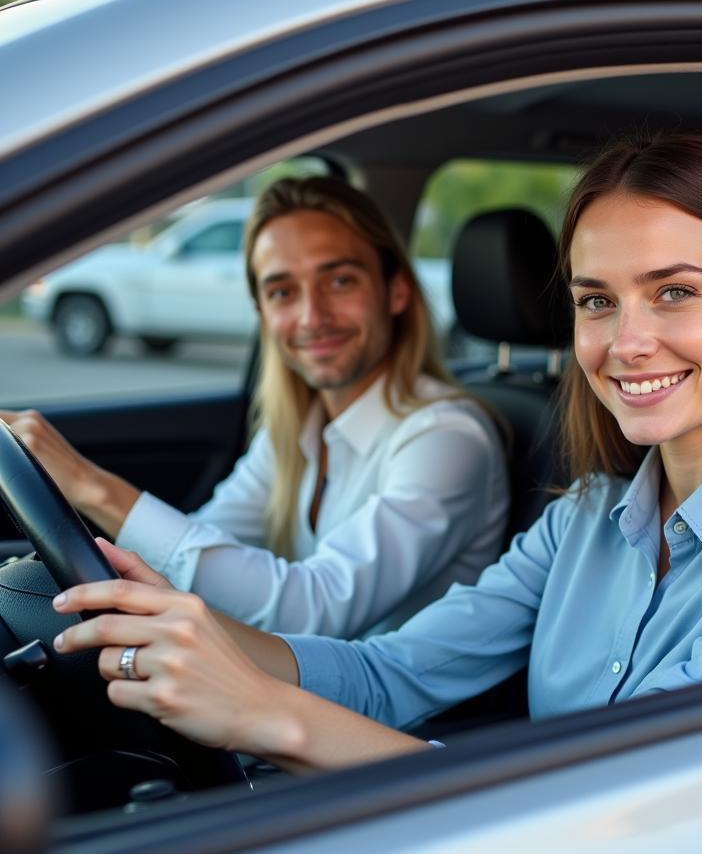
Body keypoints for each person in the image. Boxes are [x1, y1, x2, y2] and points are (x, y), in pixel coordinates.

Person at [51, 133, 702, 773]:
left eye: (675, 293)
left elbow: (615, 789)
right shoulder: (582, 520)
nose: (629, 341)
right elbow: (393, 671)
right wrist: (198, 634)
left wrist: (265, 715)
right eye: (596, 301)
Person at [2, 177, 509, 638]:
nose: (312, 317)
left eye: (340, 281)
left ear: (396, 291)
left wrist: (91, 486)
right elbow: (208, 539)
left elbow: (317, 608)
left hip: (395, 728)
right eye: (283, 291)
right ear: (262, 312)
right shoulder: (301, 426)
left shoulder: (447, 437)